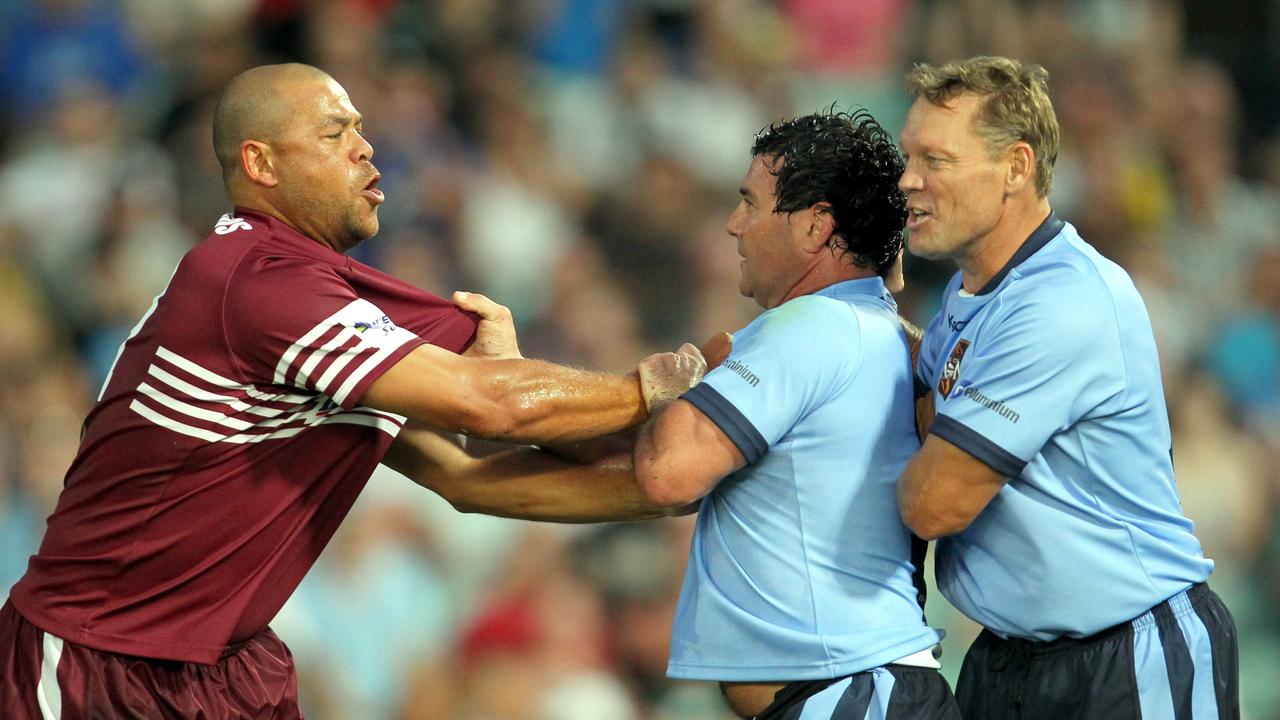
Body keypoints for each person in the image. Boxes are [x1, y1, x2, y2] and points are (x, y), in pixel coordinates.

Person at [0, 63, 709, 719]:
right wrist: (657, 387)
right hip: (97, 660)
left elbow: (470, 478)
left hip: (228, 668)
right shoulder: (253, 281)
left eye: (363, 131)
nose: (365, 149)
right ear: (261, 163)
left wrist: (662, 486)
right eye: (335, 133)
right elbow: (487, 407)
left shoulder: (327, 309)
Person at [895, 56, 1239, 719]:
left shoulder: (1065, 300)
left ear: (1017, 168)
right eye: (909, 156)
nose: (909, 181)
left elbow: (932, 504)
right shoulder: (966, 299)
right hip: (1009, 657)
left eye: (936, 159)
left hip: (1127, 658)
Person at [633, 110, 962, 720]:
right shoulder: (879, 331)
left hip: (847, 693)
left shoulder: (809, 325)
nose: (734, 225)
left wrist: (674, 385)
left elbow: (667, 472)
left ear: (815, 227)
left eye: (750, 204)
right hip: (863, 687)